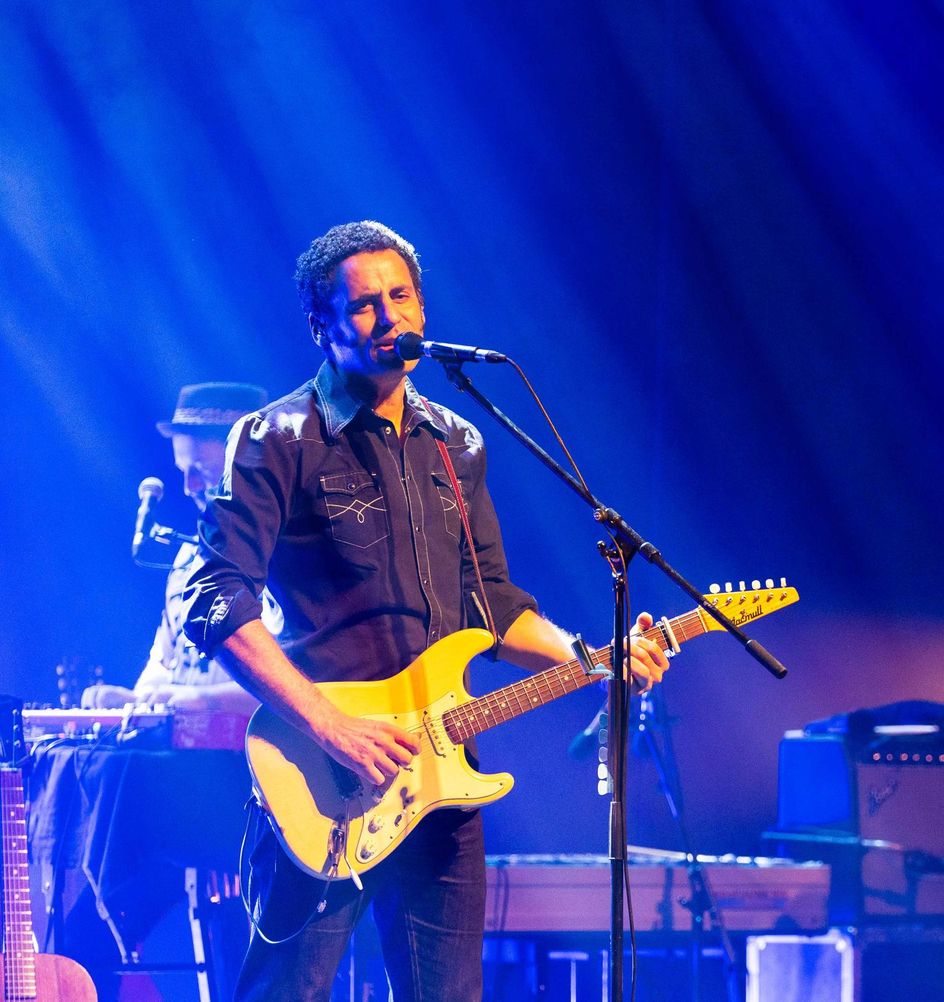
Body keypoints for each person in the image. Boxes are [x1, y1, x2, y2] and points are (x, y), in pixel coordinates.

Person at [180, 220, 669, 1001]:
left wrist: (600, 657)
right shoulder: (275, 439)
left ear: (424, 311)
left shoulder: (458, 442)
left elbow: (498, 609)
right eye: (364, 305)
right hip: (323, 780)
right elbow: (211, 601)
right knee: (286, 990)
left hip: (439, 780)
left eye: (400, 296)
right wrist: (329, 726)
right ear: (322, 326)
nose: (388, 318)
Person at [84, 382, 274, 717]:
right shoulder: (189, 557)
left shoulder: (287, 557)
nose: (189, 488)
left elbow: (303, 684)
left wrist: (202, 700)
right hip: (193, 761)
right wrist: (132, 700)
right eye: (183, 471)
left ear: (246, 467)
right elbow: (165, 663)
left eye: (200, 471)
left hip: (256, 758)